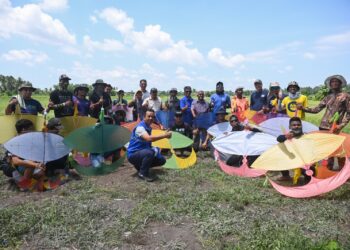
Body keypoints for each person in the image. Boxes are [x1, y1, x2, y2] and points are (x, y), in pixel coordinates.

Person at [127, 109, 172, 182]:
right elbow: (148, 139)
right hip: (133, 154)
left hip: (141, 152)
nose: (151, 118)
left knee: (162, 160)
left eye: (153, 117)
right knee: (149, 153)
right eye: (149, 116)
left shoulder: (148, 127)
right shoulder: (140, 128)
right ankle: (142, 173)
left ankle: (141, 166)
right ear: (144, 117)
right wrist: (164, 135)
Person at [10, 119, 46, 191]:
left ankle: (37, 184)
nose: (33, 131)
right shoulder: (15, 142)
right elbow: (15, 161)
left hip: (32, 164)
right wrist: (34, 164)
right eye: (31, 129)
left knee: (41, 169)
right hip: (19, 167)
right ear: (23, 130)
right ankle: (25, 185)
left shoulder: (31, 140)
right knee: (30, 164)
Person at [276, 117, 314, 183]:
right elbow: (279, 139)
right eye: (294, 125)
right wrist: (285, 137)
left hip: (304, 160)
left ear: (301, 126)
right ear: (290, 127)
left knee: (310, 171)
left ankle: (308, 179)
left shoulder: (306, 136)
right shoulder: (288, 136)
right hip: (292, 158)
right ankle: (285, 176)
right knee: (280, 155)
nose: (296, 126)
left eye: (298, 125)